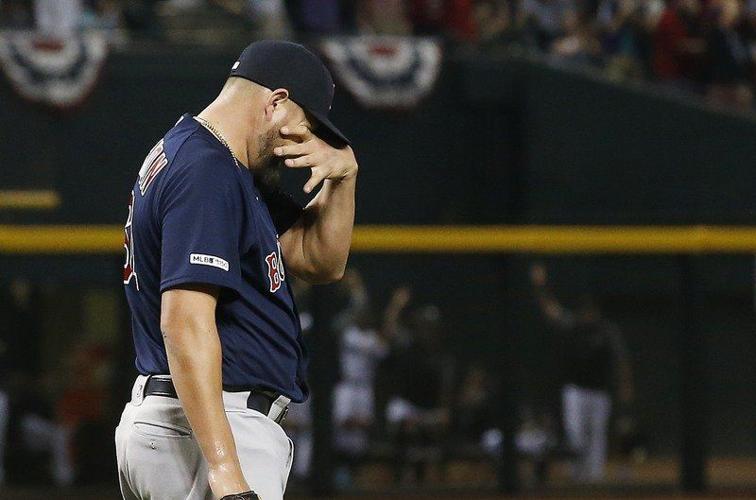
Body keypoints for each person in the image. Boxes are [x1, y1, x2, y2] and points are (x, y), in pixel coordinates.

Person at [115, 40, 358, 500]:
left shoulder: (217, 165)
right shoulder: (207, 171)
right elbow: (184, 322)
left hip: (188, 424)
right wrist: (225, 470)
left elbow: (319, 259)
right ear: (276, 103)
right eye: (302, 129)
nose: (299, 145)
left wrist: (344, 177)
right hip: (210, 427)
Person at [530, 263, 634, 482]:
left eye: (590, 309)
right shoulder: (573, 324)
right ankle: (577, 479)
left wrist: (625, 386)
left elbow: (621, 359)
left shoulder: (606, 330)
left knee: (596, 437)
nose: (587, 313)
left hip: (599, 391)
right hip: (576, 391)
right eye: (584, 310)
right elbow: (551, 310)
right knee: (575, 436)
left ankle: (593, 480)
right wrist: (540, 287)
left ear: (596, 311)